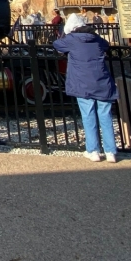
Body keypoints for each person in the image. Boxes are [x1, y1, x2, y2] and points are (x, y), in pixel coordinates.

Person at [53, 13, 119, 163]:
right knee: (105, 116)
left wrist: (65, 33)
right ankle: (110, 152)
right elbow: (106, 45)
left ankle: (93, 150)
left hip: (82, 82)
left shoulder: (71, 40)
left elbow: (57, 44)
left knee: (88, 116)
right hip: (102, 81)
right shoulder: (96, 39)